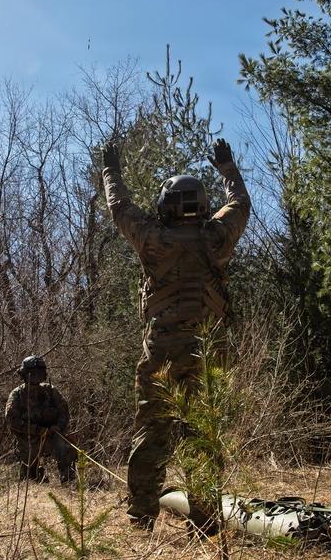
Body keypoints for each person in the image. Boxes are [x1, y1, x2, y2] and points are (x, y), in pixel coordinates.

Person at [102, 137, 250, 529]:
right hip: (208, 352)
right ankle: (204, 522)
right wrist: (228, 169)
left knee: (152, 433)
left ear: (166, 207)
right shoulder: (217, 238)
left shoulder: (153, 238)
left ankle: (141, 518)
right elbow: (240, 204)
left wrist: (111, 171)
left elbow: (119, 206)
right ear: (202, 205)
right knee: (203, 432)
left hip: (162, 352)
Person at [5, 355, 78, 484]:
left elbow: (64, 411)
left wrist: (59, 426)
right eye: (31, 374)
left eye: (38, 374)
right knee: (29, 477)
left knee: (66, 447)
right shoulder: (17, 394)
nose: (35, 377)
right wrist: (37, 430)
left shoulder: (50, 391)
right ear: (24, 374)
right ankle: (35, 475)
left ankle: (68, 479)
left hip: (51, 434)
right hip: (27, 437)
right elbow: (11, 419)